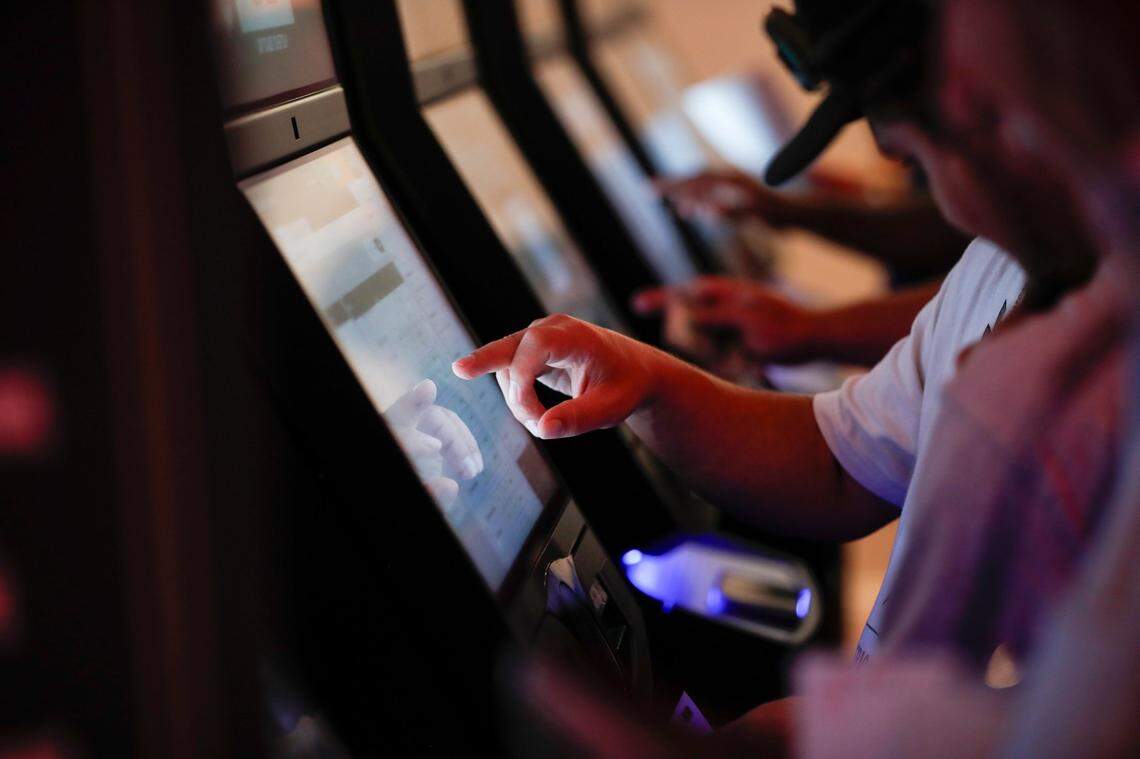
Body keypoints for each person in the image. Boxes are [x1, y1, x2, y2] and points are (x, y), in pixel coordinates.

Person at [452, 0, 1098, 664]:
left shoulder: (1104, 368)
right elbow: (839, 464)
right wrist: (646, 383)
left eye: (907, 118)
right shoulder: (1000, 259)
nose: (885, 150)